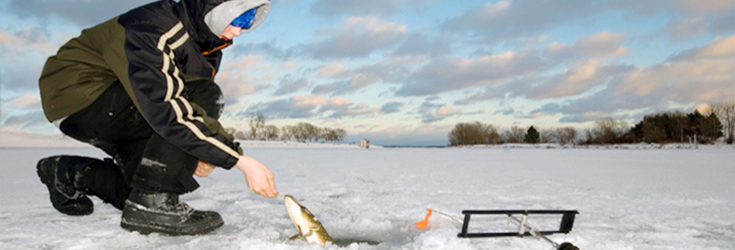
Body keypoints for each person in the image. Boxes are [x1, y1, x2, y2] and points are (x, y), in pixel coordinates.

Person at [36, 0, 278, 235]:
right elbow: (169, 108)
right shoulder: (153, 27)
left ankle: (67, 171)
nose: (239, 30)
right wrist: (238, 159)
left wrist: (198, 151)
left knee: (137, 192)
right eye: (238, 17)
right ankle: (155, 202)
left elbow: (190, 115)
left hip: (123, 106)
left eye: (248, 21)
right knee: (205, 95)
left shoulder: (208, 45)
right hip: (80, 93)